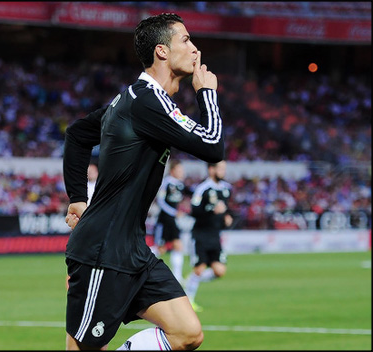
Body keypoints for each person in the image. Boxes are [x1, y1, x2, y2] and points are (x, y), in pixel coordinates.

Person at [63, 13, 225, 350]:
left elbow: (78, 134)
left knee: (187, 333)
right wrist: (207, 94)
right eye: (186, 40)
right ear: (162, 51)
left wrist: (78, 198)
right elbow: (212, 145)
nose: (195, 50)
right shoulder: (145, 102)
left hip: (133, 250)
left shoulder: (137, 100)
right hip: (102, 251)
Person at [185, 160, 233, 312]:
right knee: (199, 268)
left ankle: (191, 280)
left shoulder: (226, 189)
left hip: (215, 236)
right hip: (200, 235)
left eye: (224, 168)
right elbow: (194, 211)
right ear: (211, 169)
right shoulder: (202, 189)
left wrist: (227, 217)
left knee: (220, 271)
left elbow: (227, 209)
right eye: (220, 168)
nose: (223, 171)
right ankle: (189, 301)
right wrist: (212, 210)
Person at [152, 159, 191, 283]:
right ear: (173, 171)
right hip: (164, 219)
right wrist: (174, 212)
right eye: (179, 170)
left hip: (173, 221)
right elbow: (161, 202)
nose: (182, 172)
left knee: (178, 246)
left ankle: (177, 277)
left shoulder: (180, 185)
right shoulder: (166, 183)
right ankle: (142, 266)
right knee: (161, 248)